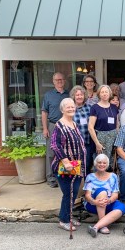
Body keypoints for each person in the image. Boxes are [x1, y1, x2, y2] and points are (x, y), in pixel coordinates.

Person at [50, 98, 86, 231]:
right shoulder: (60, 125)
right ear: (62, 109)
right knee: (69, 193)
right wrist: (65, 161)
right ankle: (64, 220)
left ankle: (68, 216)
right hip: (65, 167)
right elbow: (55, 145)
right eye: (68, 107)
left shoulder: (73, 124)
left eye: (72, 107)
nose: (71, 109)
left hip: (75, 165)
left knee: (74, 192)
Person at [84, 154, 125, 237]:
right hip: (93, 204)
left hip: (108, 203)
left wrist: (109, 200)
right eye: (99, 163)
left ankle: (96, 227)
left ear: (107, 165)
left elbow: (115, 194)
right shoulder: (90, 177)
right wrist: (94, 201)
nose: (102, 165)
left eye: (104, 163)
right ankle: (103, 226)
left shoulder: (113, 176)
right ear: (95, 164)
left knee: (122, 208)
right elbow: (87, 195)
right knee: (102, 191)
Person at [41, 72, 69, 188]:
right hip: (53, 126)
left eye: (61, 79)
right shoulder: (48, 95)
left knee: (66, 151)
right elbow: (44, 112)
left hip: (67, 126)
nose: (59, 81)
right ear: (53, 81)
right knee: (51, 152)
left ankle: (64, 175)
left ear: (64, 81)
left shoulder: (69, 94)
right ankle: (51, 177)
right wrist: (45, 128)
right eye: (57, 80)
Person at [88, 85, 119, 163]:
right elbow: (90, 127)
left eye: (106, 92)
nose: (104, 94)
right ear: (99, 94)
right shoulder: (95, 108)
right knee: (101, 161)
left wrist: (117, 138)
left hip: (113, 137)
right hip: (100, 138)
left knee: (112, 161)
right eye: (102, 92)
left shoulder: (114, 107)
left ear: (109, 94)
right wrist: (97, 143)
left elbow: (117, 124)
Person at [70, 85, 93, 175]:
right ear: (73, 97)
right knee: (75, 164)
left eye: (81, 95)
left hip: (87, 142)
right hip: (74, 143)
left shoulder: (90, 108)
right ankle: (76, 185)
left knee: (87, 165)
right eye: (77, 95)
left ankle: (86, 185)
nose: (79, 97)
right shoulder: (70, 108)